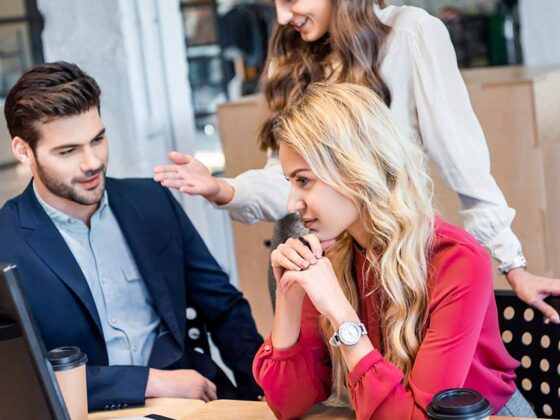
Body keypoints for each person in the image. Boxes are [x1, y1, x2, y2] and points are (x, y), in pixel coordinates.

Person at [153, 0, 560, 322]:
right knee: (320, 390)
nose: (281, 16)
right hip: (308, 258)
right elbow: (287, 180)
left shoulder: (411, 34)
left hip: (390, 261)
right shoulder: (293, 53)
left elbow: (463, 159)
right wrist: (223, 189)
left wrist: (513, 264)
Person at [252, 82, 535, 419]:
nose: (292, 203)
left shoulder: (456, 259)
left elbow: (415, 417)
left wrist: (341, 315)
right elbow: (288, 404)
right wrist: (288, 296)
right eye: (290, 183)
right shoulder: (332, 255)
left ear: (355, 171)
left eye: (304, 181)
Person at [0, 62, 263, 411]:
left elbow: (224, 308)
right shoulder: (6, 240)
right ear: (23, 151)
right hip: (91, 411)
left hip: (191, 399)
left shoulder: (151, 201)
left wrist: (263, 397)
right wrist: (148, 381)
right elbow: (17, 375)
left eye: (98, 140)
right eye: (68, 151)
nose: (92, 162)